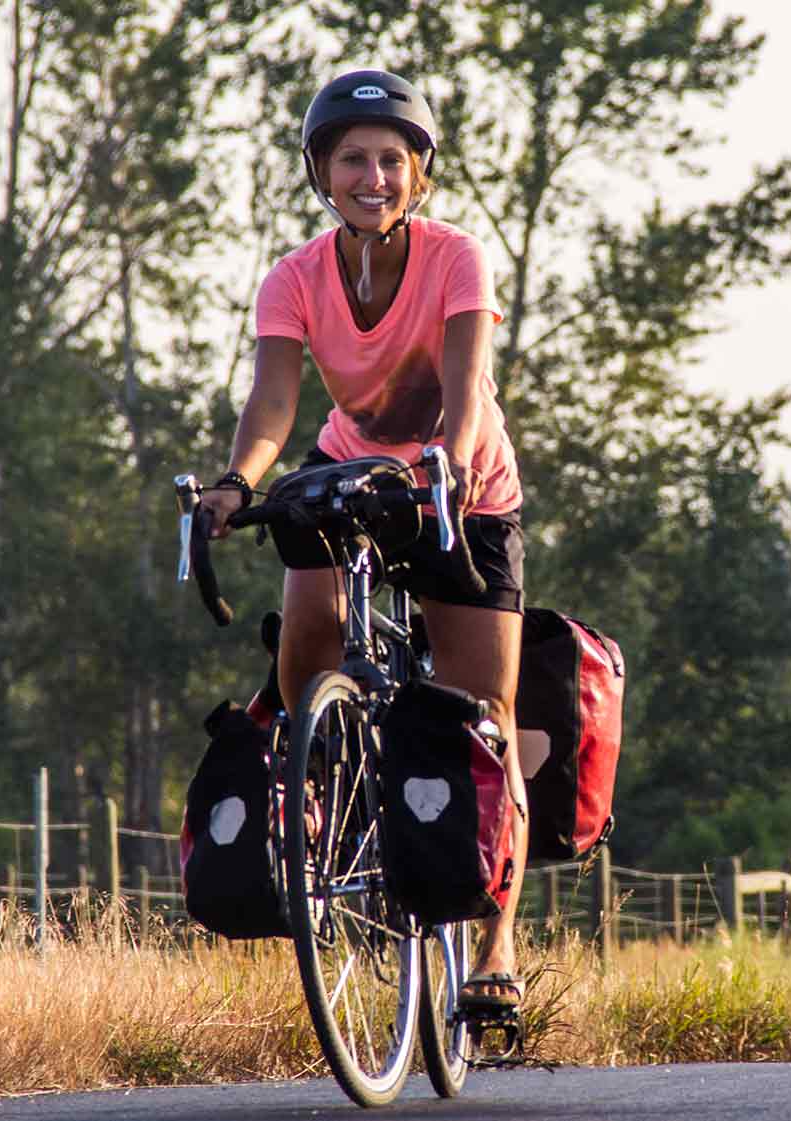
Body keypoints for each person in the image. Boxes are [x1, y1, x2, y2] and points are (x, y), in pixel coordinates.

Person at [197, 69, 531, 1016]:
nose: (372, 176)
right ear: (321, 172)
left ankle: (497, 941)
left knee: (487, 712)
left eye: (392, 160)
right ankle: (311, 778)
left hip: (463, 487)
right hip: (350, 470)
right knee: (305, 628)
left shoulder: (457, 258)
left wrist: (454, 464)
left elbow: (466, 387)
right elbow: (272, 404)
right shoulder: (294, 278)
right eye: (353, 159)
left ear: (419, 175)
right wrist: (238, 483)